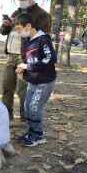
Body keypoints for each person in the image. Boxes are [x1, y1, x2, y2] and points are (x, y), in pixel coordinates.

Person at [0, 0, 51, 121]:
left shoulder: (42, 15)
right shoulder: (16, 13)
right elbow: (3, 32)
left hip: (26, 57)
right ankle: (6, 115)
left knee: (23, 91)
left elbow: (41, 36)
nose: (20, 1)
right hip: (11, 55)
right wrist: (6, 25)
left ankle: (25, 117)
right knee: (7, 86)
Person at [14, 13, 57, 147]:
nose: (19, 33)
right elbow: (30, 60)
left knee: (34, 108)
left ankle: (38, 136)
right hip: (32, 80)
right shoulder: (29, 40)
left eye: (20, 29)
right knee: (27, 107)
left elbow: (50, 59)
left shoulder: (43, 39)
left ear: (28, 26)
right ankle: (31, 132)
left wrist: (28, 66)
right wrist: (24, 68)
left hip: (44, 82)